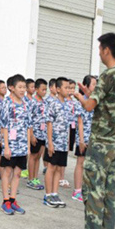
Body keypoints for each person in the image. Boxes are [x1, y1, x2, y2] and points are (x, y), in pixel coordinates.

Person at [68, 33, 115, 229]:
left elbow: (89, 107)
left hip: (102, 144)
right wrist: (91, 95)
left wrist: (79, 96)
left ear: (107, 50)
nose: (99, 53)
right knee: (109, 192)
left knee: (94, 191)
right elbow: (110, 103)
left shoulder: (107, 75)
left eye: (99, 49)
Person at [0, 74, 31, 215]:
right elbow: (4, 126)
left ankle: (13, 200)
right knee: (7, 172)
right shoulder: (7, 103)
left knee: (17, 173)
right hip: (10, 145)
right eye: (20, 87)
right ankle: (5, 201)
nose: (23, 90)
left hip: (22, 145)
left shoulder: (26, 104)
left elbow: (28, 126)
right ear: (12, 88)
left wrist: (28, 146)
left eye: (24, 87)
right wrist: (6, 146)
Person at [44, 77, 75, 208]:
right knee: (51, 167)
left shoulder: (68, 104)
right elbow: (49, 124)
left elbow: (69, 125)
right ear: (58, 89)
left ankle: (55, 193)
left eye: (69, 88)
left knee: (58, 168)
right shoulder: (53, 103)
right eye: (66, 87)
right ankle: (48, 195)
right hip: (54, 142)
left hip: (63, 143)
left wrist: (67, 143)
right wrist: (50, 143)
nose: (68, 90)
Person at [72, 75, 96, 202]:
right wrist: (81, 140)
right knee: (80, 163)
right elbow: (80, 123)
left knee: (91, 165)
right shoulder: (79, 103)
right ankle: (77, 190)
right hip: (83, 137)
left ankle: (87, 188)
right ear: (85, 86)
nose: (95, 87)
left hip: (94, 138)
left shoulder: (95, 102)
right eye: (93, 84)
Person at [27, 78, 47, 191]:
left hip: (43, 134)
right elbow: (29, 120)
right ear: (36, 89)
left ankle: (35, 177)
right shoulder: (32, 102)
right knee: (33, 156)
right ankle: (30, 179)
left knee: (39, 156)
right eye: (42, 89)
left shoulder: (45, 102)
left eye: (45, 90)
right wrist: (31, 135)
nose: (44, 92)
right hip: (35, 133)